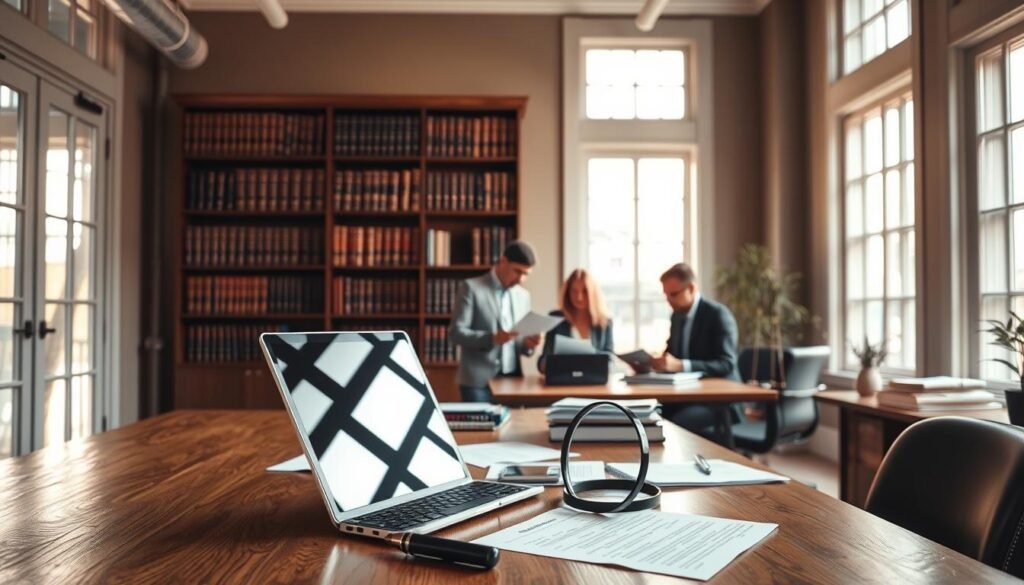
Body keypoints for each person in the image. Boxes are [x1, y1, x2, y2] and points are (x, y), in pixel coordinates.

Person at [651, 262, 739, 436]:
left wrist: (681, 366)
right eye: (666, 295)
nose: (669, 300)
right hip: (686, 396)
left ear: (691, 288)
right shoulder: (676, 316)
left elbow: (726, 363)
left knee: (679, 422)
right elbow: (672, 355)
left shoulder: (718, 315)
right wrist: (659, 363)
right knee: (651, 414)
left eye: (673, 294)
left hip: (719, 402)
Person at [448, 240, 543, 402]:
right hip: (477, 384)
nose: (521, 279)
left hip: (514, 381)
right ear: (503, 261)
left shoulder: (523, 296)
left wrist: (528, 345)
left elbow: (519, 342)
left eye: (526, 274)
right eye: (517, 271)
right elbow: (456, 334)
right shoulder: (471, 288)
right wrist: (491, 338)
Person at [538, 268, 614, 373]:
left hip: (594, 383)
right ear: (567, 293)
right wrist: (547, 365)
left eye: (585, 291)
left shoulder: (605, 322)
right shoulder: (555, 319)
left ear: (592, 293)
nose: (579, 297)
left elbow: (610, 358)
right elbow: (545, 359)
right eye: (574, 291)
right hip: (563, 381)